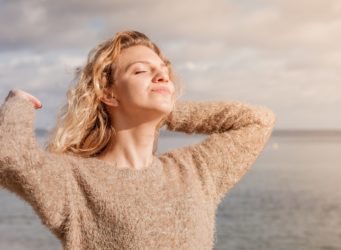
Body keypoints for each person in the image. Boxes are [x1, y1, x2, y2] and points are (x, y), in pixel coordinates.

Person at [0, 30, 276, 250]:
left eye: (164, 69)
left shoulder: (196, 170)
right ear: (108, 94)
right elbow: (9, 157)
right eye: (141, 71)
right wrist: (19, 103)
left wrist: (169, 110)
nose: (162, 75)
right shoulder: (75, 181)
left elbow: (258, 121)